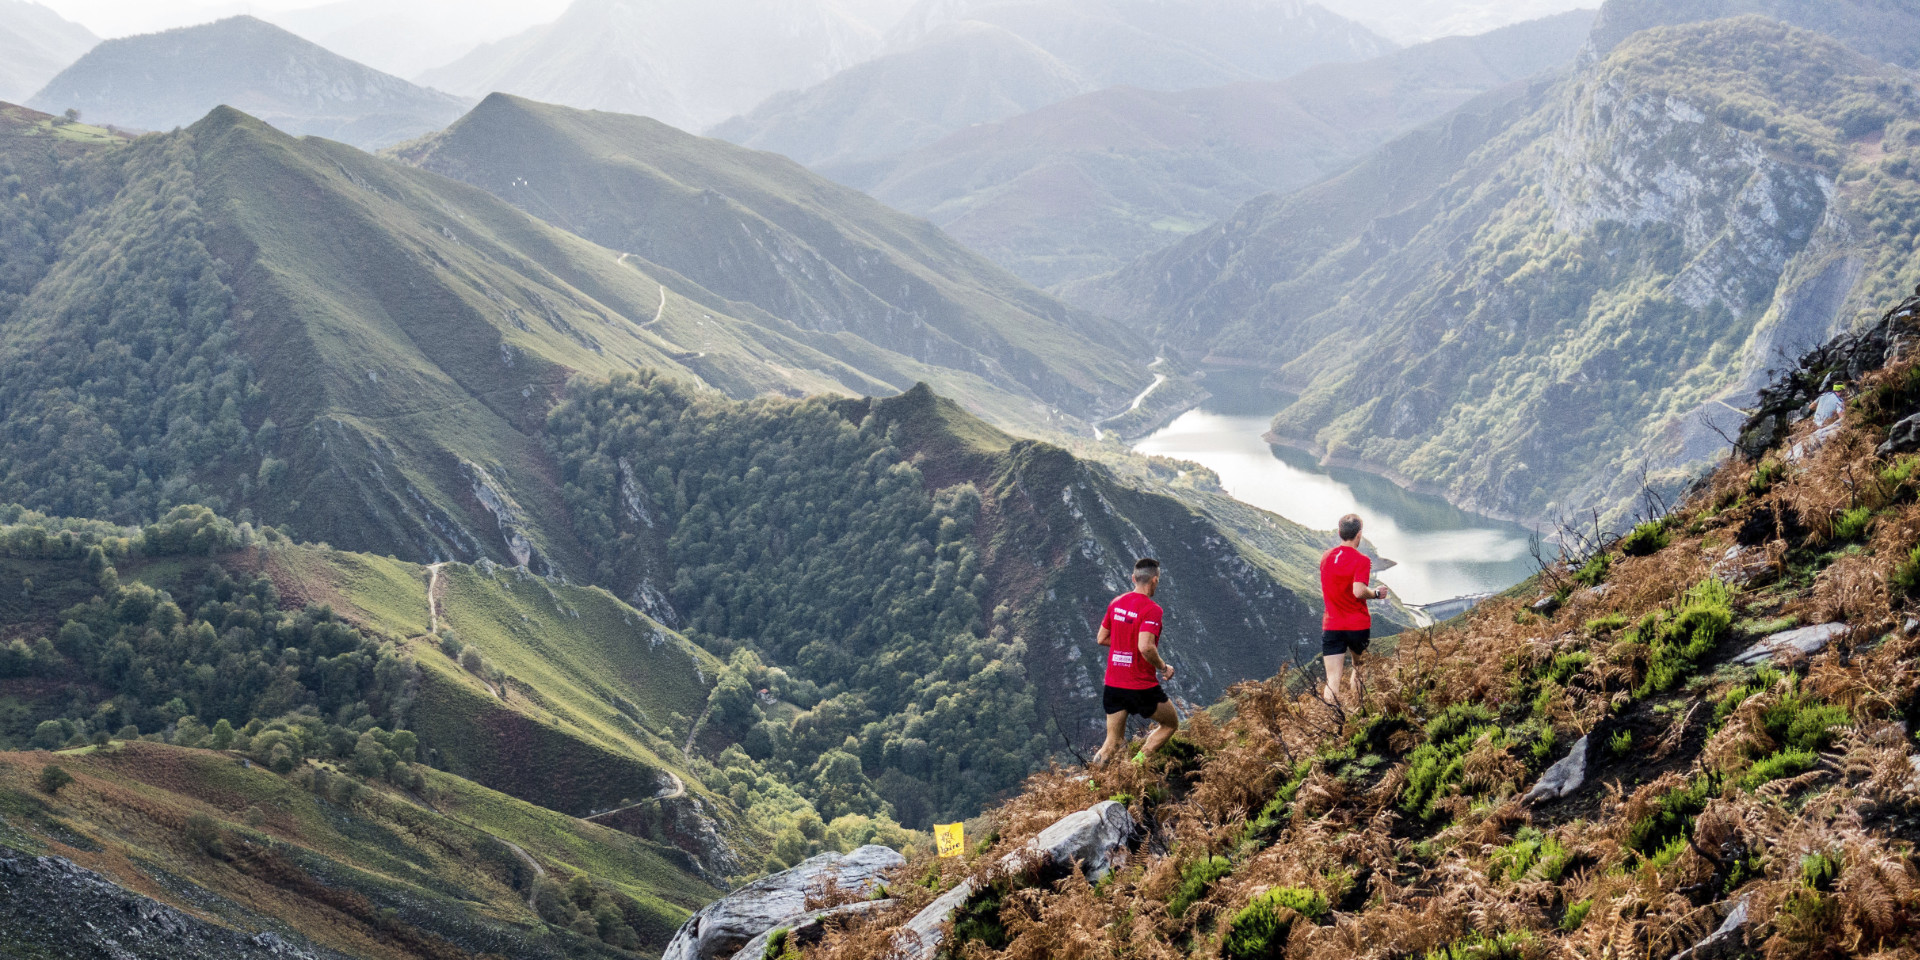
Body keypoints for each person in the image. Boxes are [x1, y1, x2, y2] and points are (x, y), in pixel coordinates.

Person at [1093, 558, 1179, 765]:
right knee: (1170, 724)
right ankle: (1136, 766)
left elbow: (1102, 638)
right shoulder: (1152, 610)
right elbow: (1146, 647)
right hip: (1141, 686)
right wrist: (1163, 667)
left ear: (1133, 578)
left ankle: (1093, 787)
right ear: (1155, 580)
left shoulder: (1116, 603)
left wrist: (1126, 644)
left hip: (1113, 685)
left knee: (1111, 743)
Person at [1321, 514, 1387, 708]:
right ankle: (1359, 711)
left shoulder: (1326, 557)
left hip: (1332, 625)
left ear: (1340, 533)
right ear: (1359, 534)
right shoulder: (1361, 560)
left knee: (1332, 679)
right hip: (1357, 626)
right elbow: (1358, 591)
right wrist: (1376, 593)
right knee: (1358, 668)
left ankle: (1331, 719)